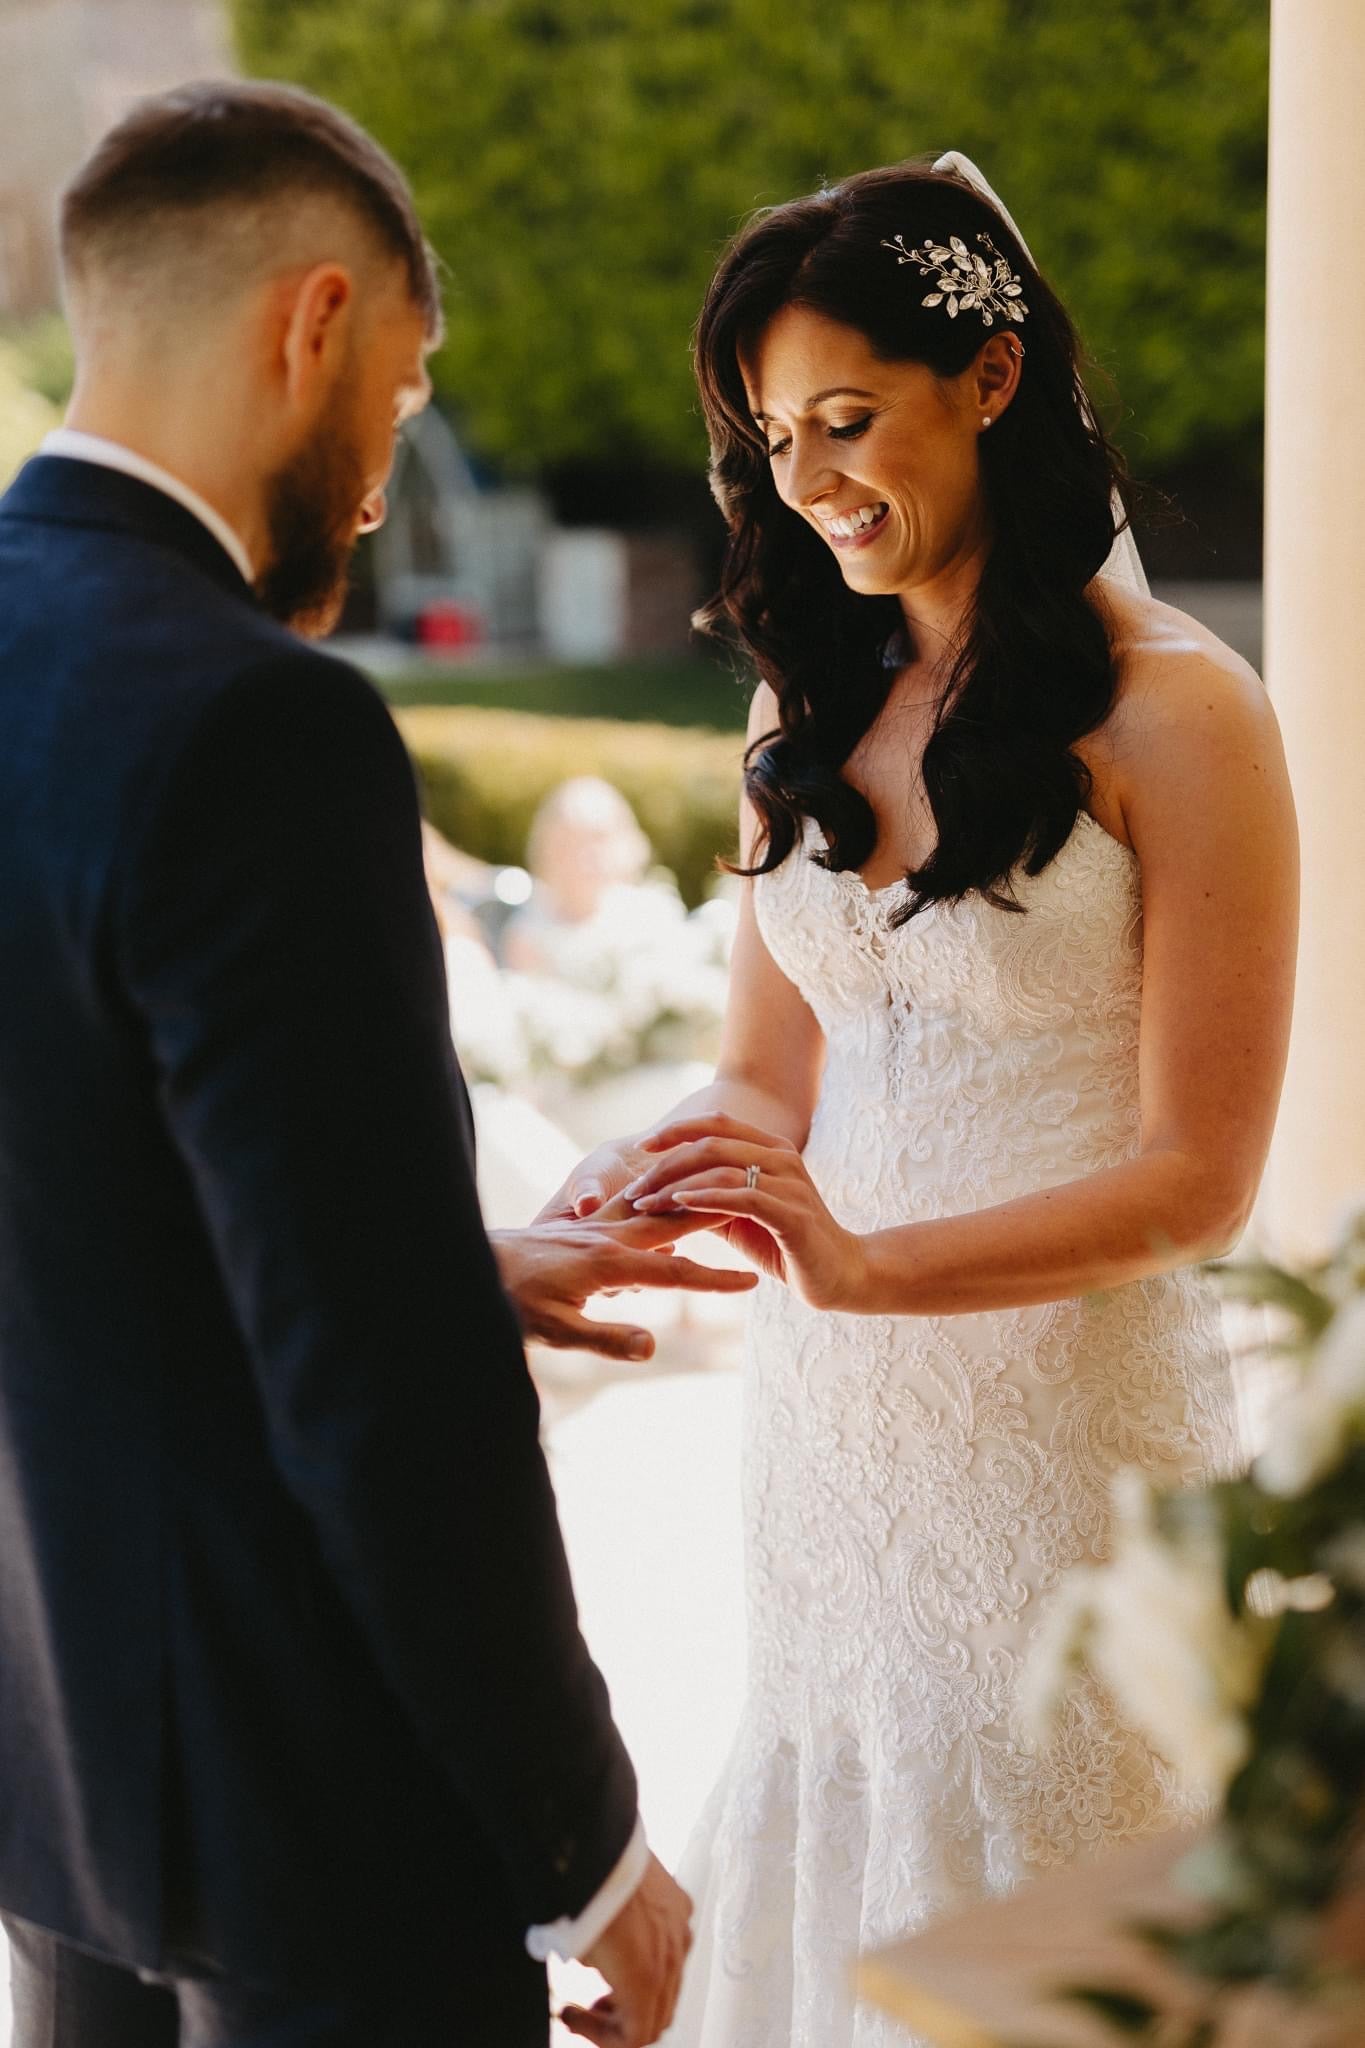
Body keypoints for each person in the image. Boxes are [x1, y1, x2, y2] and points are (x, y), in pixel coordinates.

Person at [0, 80, 762, 2048]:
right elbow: (379, 1397)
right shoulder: (265, 730)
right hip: (309, 1828)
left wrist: (441, 1261)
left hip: (52, 1775)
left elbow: (81, 1194)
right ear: (312, 323)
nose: (377, 473)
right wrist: (584, 1844)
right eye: (407, 395)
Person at [547, 156, 1299, 2045]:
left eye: (846, 418)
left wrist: (870, 1265)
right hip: (832, 1433)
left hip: (1061, 1417)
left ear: (990, 375)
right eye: (772, 439)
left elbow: (1198, 1176)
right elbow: (762, 1063)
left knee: (1029, 1851)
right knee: (842, 1797)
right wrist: (656, 1167)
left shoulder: (1182, 713)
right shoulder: (795, 703)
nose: (806, 482)